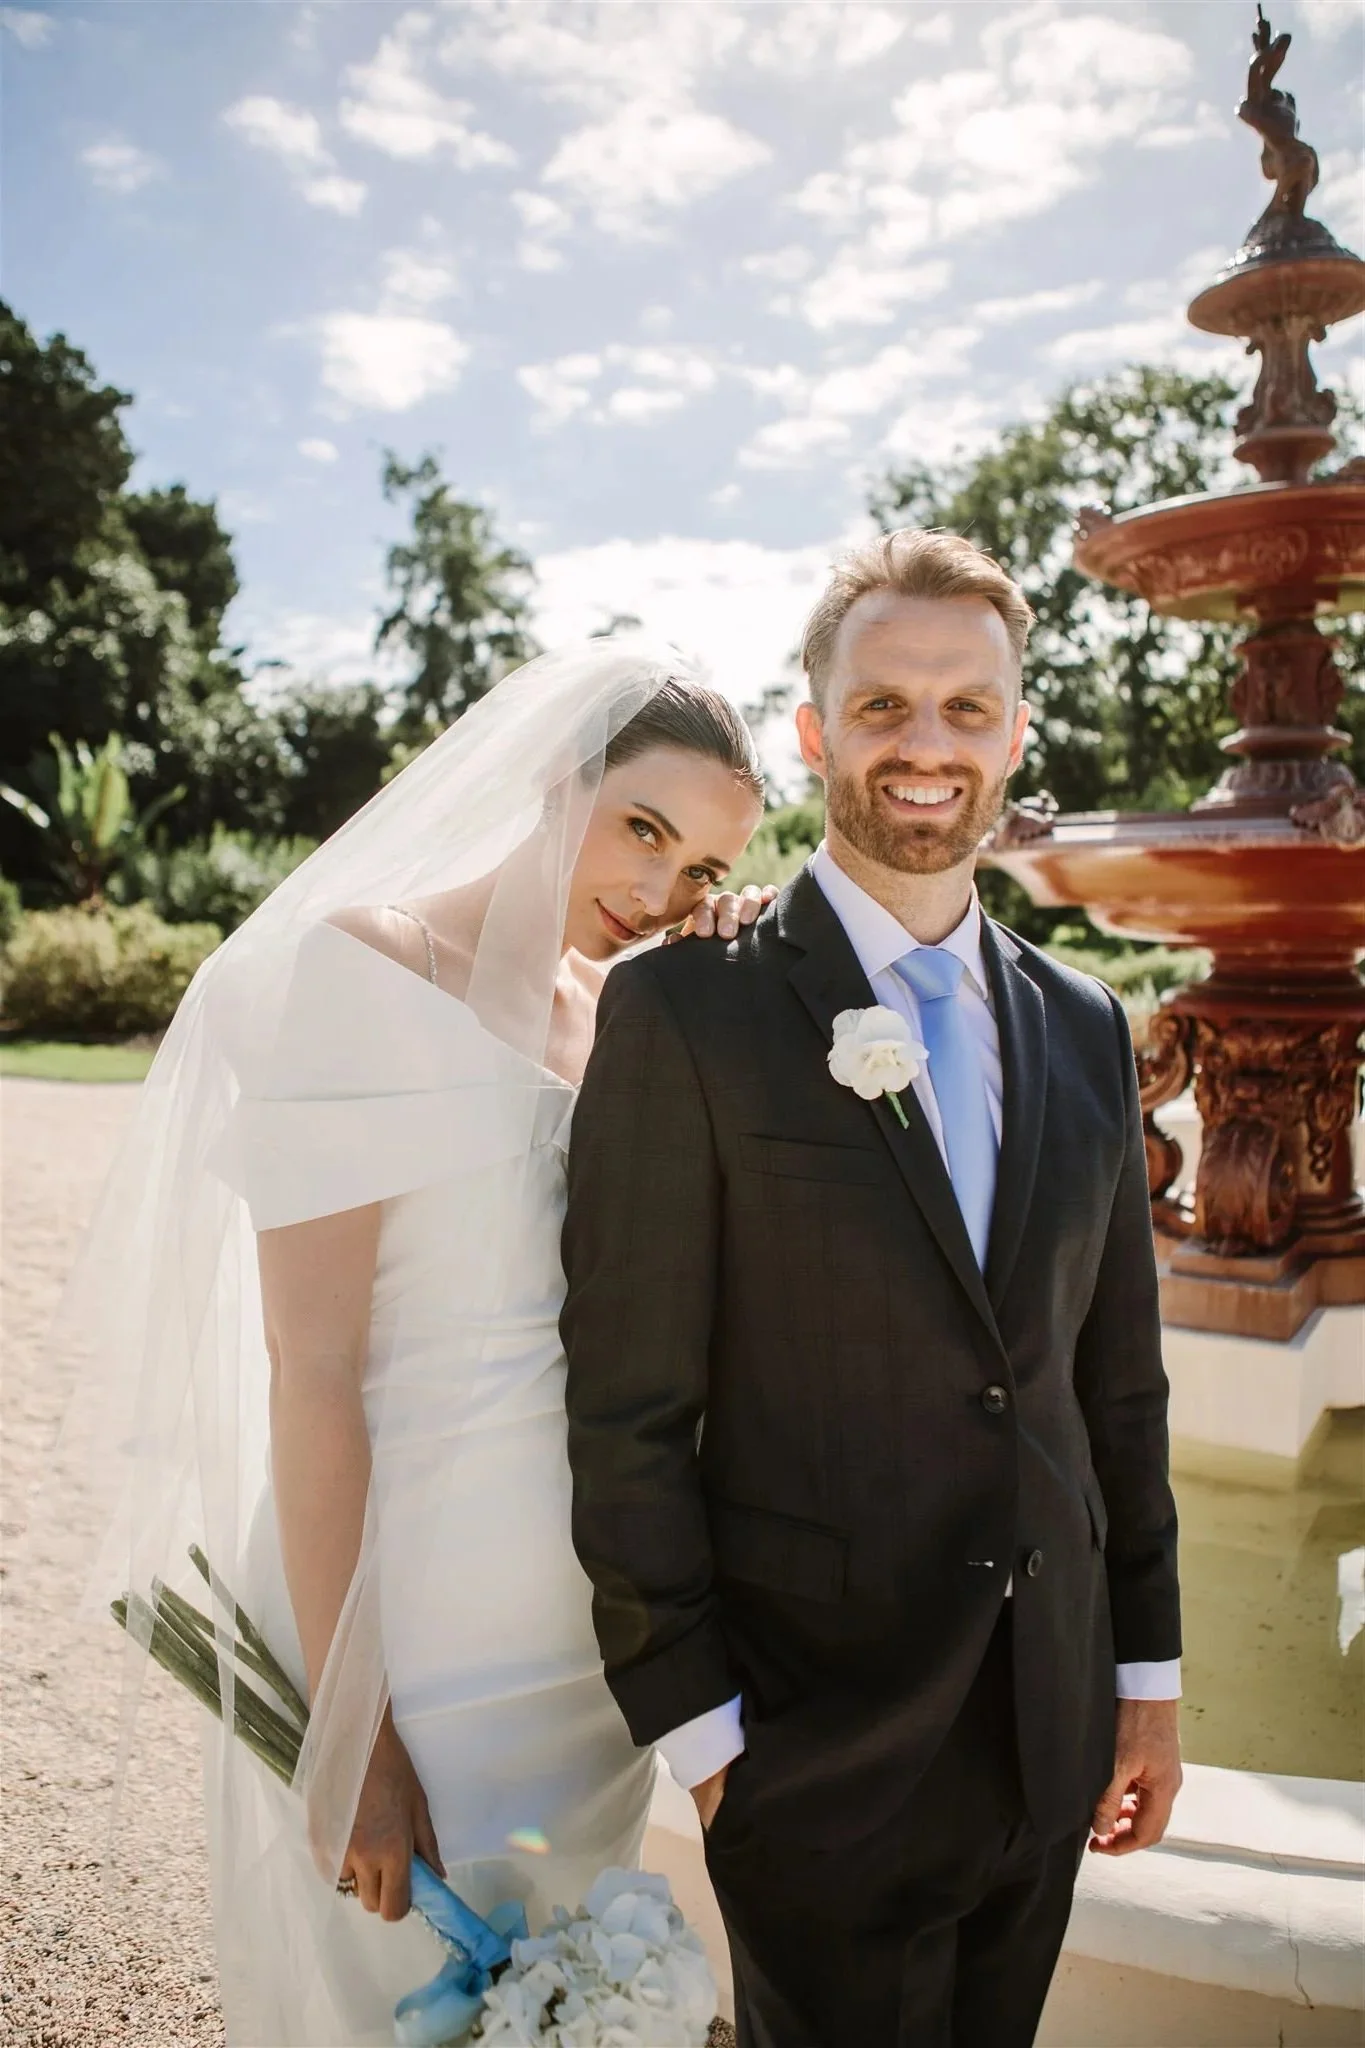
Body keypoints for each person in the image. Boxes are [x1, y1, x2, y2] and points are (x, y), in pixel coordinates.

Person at [75, 640, 766, 2046]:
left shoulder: (626, 1014)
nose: (658, 891)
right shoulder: (369, 969)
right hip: (416, 1638)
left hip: (585, 1654)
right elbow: (312, 1374)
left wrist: (731, 979)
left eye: (700, 870)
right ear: (554, 778)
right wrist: (358, 1740)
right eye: (643, 828)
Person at [561, 532, 1184, 2048]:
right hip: (814, 1752)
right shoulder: (687, 1011)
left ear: (1018, 735)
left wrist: (1145, 1678)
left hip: (1047, 1737)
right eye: (887, 705)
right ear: (817, 730)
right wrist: (710, 1746)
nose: (928, 745)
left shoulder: (1090, 1027)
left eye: (969, 709)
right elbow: (630, 1411)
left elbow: (1115, 1383)